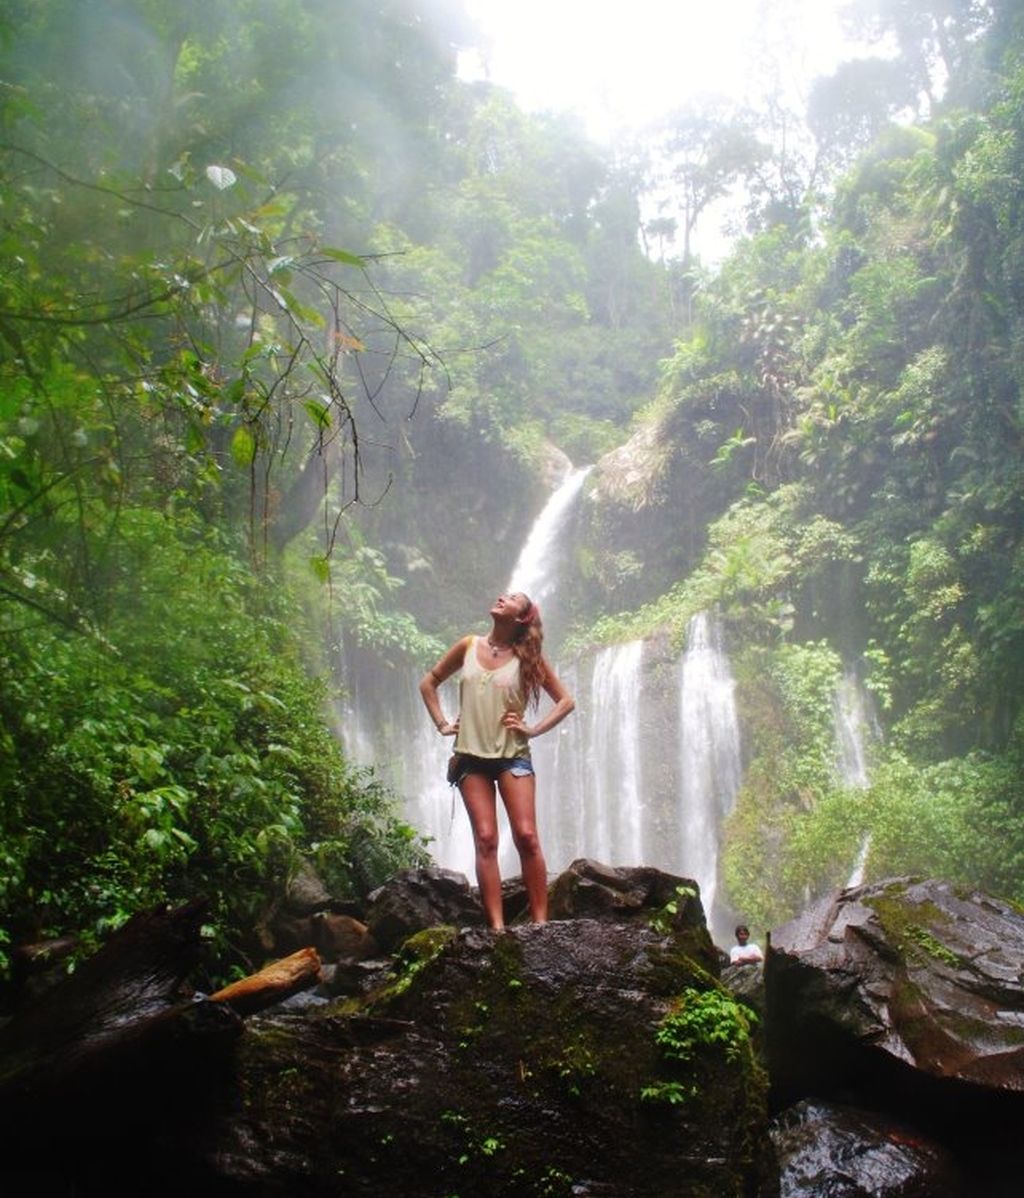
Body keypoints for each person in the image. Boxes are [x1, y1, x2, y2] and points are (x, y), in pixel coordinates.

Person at [418, 591, 575, 929]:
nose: (503, 596)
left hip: (512, 756)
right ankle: (498, 930)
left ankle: (540, 925)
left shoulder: (528, 657)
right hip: (470, 758)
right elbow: (428, 683)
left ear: (521, 618)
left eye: (514, 598)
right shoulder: (468, 646)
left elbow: (565, 701)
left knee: (527, 836)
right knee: (486, 839)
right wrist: (443, 724)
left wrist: (533, 729)